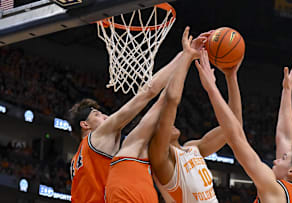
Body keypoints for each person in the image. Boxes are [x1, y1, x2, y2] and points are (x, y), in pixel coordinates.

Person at [68, 27, 206, 203]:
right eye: (97, 114)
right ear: (85, 125)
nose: (105, 116)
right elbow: (148, 92)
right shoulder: (98, 137)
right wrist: (184, 56)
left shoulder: (76, 161)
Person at [195, 52, 292, 203]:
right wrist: (287, 90)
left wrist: (212, 88)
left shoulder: (274, 189)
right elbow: (285, 137)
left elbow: (235, 138)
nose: (275, 161)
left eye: (283, 159)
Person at [149, 39, 244, 202]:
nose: (170, 122)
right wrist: (187, 56)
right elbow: (171, 100)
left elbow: (234, 126)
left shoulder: (193, 148)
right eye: (162, 121)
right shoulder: (161, 160)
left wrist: (230, 76)